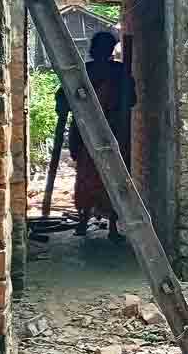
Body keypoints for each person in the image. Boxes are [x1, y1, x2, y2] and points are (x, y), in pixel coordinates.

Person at [55, 32, 136, 242]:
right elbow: (131, 101)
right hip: (111, 135)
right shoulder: (116, 72)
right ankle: (110, 226)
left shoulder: (85, 71)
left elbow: (62, 97)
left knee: (88, 178)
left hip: (91, 136)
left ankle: (85, 222)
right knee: (112, 179)